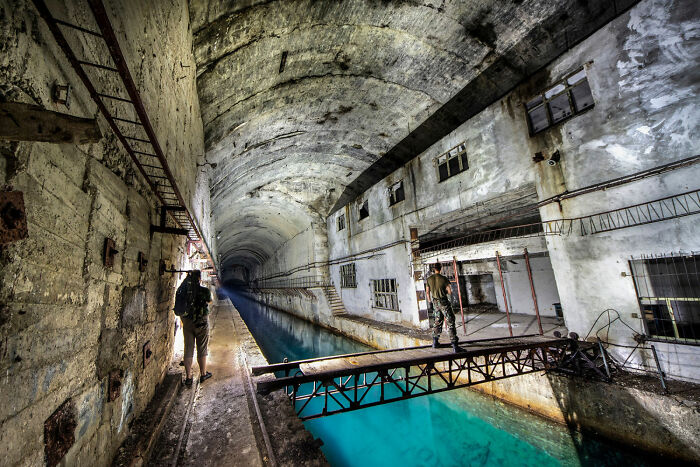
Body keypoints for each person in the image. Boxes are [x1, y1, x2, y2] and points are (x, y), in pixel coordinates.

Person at [180, 270, 213, 386]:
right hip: (201, 322)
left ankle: (188, 377)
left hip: (187, 322)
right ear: (200, 278)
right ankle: (203, 374)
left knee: (188, 348)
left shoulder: (184, 291)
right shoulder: (204, 291)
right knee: (202, 347)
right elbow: (210, 300)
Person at [426, 263, 460, 352]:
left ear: (434, 269)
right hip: (443, 302)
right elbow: (449, 291)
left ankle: (435, 342)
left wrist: (430, 302)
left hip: (435, 302)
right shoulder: (444, 279)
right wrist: (444, 291)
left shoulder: (429, 279)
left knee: (437, 321)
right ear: (440, 268)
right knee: (450, 320)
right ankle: (455, 346)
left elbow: (427, 292)